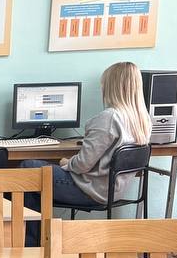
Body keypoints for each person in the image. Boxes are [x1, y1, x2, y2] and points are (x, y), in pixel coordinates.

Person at [20, 61, 153, 246]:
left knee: (28, 168)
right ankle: (35, 241)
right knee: (34, 176)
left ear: (112, 86)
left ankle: (30, 244)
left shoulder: (110, 117)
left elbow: (82, 164)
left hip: (91, 191)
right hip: (113, 191)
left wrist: (67, 162)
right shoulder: (142, 119)